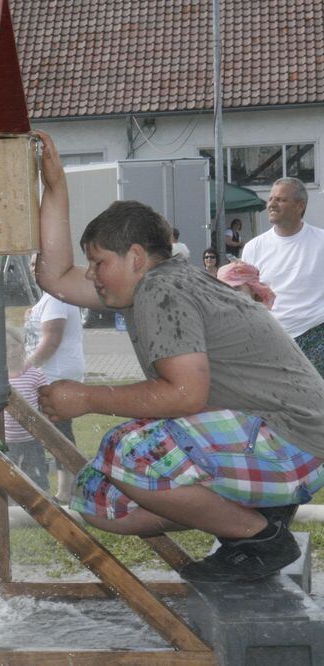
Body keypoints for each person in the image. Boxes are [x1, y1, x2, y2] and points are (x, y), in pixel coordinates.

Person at [33, 130, 324, 583]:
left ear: (134, 257)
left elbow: (185, 394)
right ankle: (252, 514)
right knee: (100, 503)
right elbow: (54, 276)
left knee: (126, 450)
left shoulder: (162, 289)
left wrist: (86, 398)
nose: (89, 274)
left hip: (296, 441)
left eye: (97, 262)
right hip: (279, 438)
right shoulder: (154, 282)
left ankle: (259, 539)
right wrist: (54, 186)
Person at [242, 177, 324, 377]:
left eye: (280, 199)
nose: (272, 204)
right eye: (271, 199)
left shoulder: (321, 241)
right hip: (273, 336)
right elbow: (245, 293)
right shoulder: (254, 247)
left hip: (316, 331)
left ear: (300, 205)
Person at [24, 254, 85, 503]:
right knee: (53, 431)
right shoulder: (49, 298)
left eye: (38, 263)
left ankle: (66, 490)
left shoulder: (57, 299)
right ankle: (61, 487)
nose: (33, 268)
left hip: (56, 374)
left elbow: (51, 341)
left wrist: (24, 368)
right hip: (50, 373)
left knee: (57, 432)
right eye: (31, 264)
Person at [3, 326, 50, 491]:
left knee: (38, 479)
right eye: (5, 347)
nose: (11, 352)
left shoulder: (35, 374)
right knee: (9, 481)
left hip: (32, 439)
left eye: (14, 346)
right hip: (6, 442)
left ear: (22, 346)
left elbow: (46, 404)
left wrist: (42, 426)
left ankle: (44, 510)